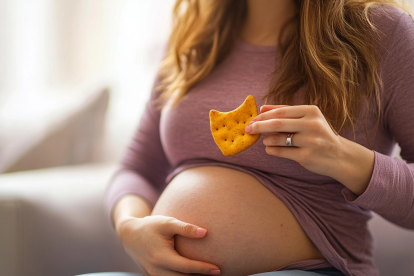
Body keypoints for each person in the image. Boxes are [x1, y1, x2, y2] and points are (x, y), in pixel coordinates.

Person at [103, 0, 414, 276]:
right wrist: (131, 227)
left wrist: (344, 157)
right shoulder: (192, 37)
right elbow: (136, 169)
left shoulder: (383, 32)